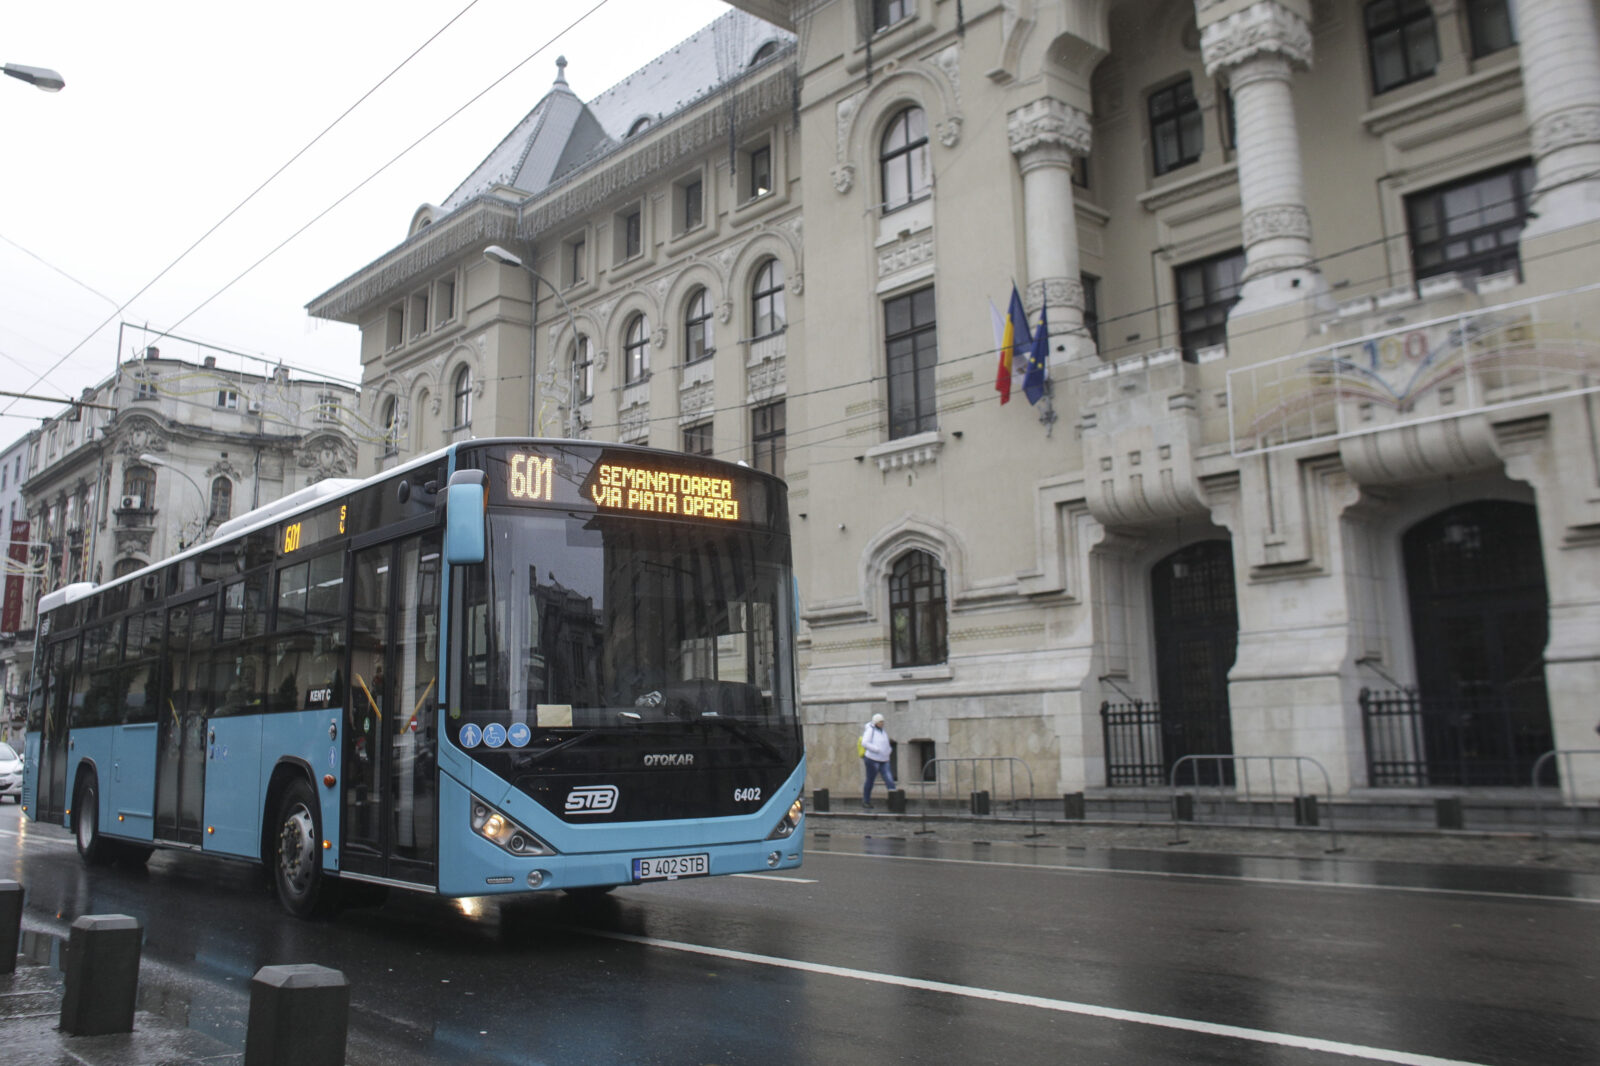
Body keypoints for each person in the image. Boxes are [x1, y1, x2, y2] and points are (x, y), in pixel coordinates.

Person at [860, 712, 895, 808]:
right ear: (875, 722)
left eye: (882, 721)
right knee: (870, 780)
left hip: (884, 759)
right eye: (880, 722)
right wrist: (876, 749)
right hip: (872, 759)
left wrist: (888, 750)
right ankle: (866, 801)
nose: (882, 723)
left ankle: (894, 800)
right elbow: (865, 743)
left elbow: (885, 742)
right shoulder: (870, 730)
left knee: (889, 779)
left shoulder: (882, 731)